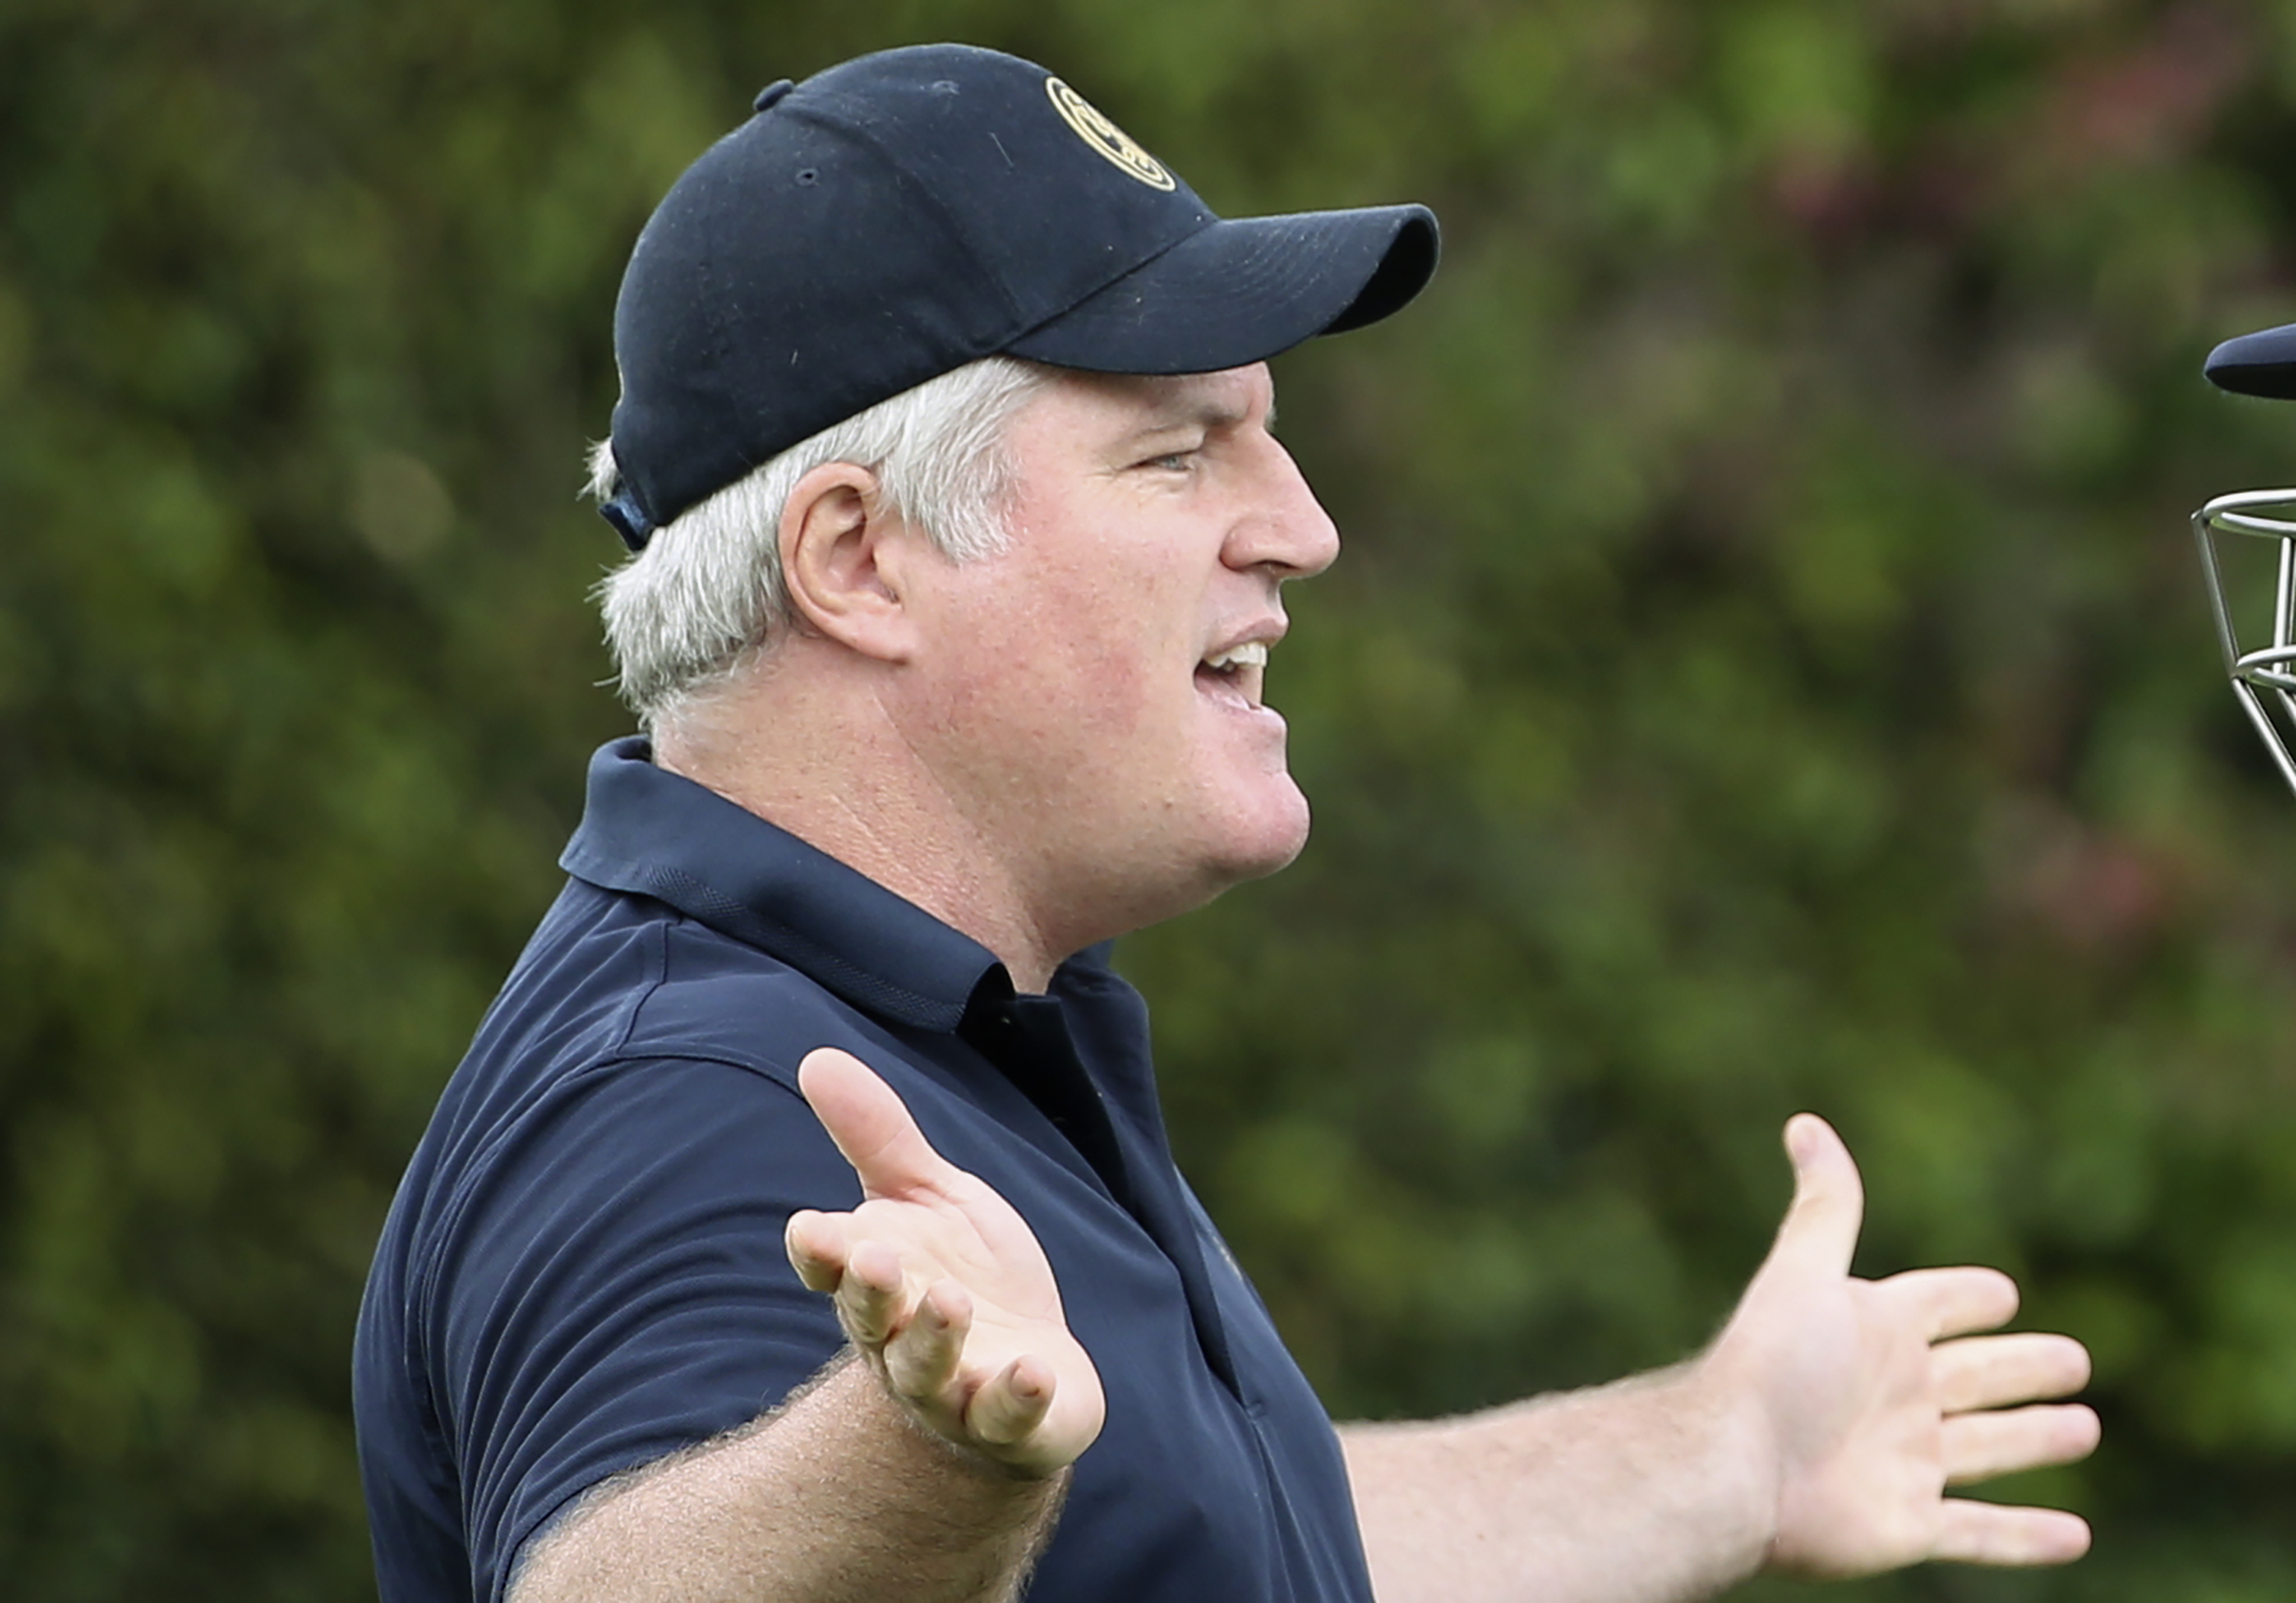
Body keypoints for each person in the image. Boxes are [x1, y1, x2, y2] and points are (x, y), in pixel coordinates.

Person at [353, 42, 2101, 1603]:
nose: (1303, 528)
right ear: (855, 560)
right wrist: (921, 1464)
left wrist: (1727, 1454)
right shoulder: (689, 1098)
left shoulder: (942, 1030)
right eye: (1177, 456)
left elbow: (1220, 1544)